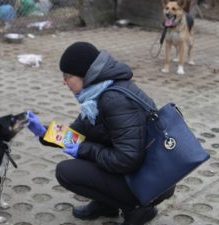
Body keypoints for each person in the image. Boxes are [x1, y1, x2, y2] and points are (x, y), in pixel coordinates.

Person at [26, 42, 174, 225]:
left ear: (84, 75)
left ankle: (138, 209)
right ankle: (107, 205)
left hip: (150, 179)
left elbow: (127, 159)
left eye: (67, 76)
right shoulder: (98, 93)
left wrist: (84, 149)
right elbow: (76, 133)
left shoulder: (113, 99)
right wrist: (44, 132)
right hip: (139, 168)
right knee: (89, 143)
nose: (63, 82)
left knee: (67, 172)